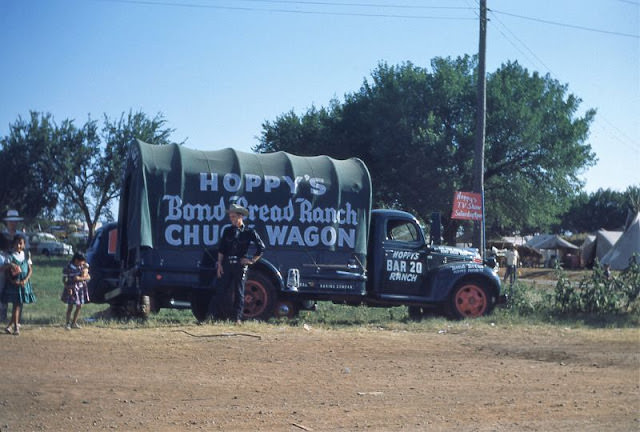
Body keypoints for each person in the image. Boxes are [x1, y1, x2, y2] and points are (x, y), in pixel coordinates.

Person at [213, 203, 265, 324]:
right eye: (230, 217)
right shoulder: (227, 231)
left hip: (240, 265)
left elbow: (261, 248)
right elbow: (222, 249)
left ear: (240, 216)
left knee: (239, 291)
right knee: (221, 290)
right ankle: (217, 317)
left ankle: (237, 318)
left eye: (234, 217)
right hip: (227, 263)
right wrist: (219, 264)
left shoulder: (248, 232)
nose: (231, 219)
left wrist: (251, 260)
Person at [2, 234, 35, 335]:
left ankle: (9, 326)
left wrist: (25, 280)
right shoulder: (10, 256)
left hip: (23, 284)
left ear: (24, 245)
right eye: (16, 243)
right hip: (13, 284)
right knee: (16, 305)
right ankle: (16, 327)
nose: (18, 246)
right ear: (13, 244)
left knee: (18, 305)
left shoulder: (26, 255)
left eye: (20, 243)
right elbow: (6, 271)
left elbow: (30, 270)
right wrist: (12, 281)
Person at [1, 209, 24, 321]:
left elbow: (26, 251)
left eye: (15, 221)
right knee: (2, 289)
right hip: (4, 264)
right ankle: (2, 315)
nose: (12, 223)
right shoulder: (2, 235)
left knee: (18, 290)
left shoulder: (21, 235)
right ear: (7, 222)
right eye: (10, 221)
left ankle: (17, 318)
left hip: (18, 264)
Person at [61, 252, 91, 330]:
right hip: (71, 288)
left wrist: (80, 278)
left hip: (80, 288)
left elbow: (87, 277)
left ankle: (74, 322)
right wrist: (68, 288)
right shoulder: (68, 268)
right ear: (76, 260)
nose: (82, 263)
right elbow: (64, 280)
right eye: (81, 261)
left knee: (79, 306)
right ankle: (67, 323)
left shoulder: (82, 267)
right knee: (70, 306)